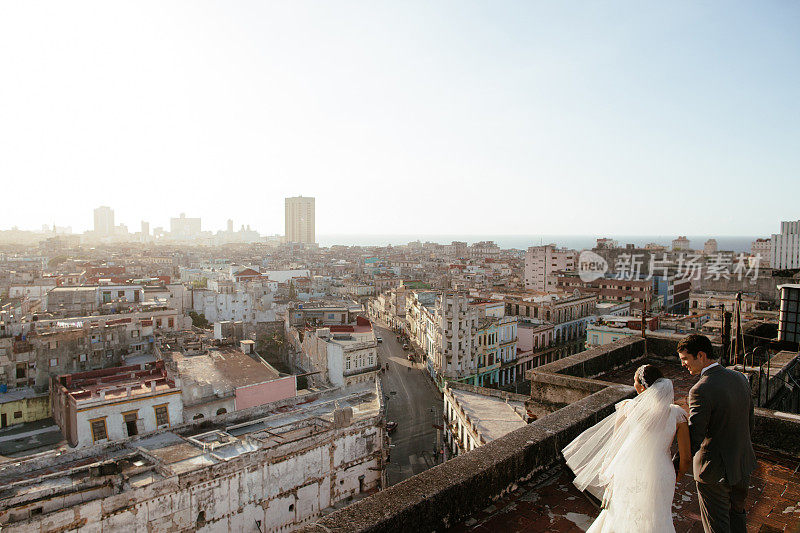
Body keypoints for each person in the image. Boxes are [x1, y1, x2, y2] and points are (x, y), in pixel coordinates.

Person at [562, 364, 691, 532]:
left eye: (635, 382)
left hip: (628, 470)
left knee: (623, 514)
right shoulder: (677, 414)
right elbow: (686, 457)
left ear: (643, 387)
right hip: (661, 472)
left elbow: (615, 445)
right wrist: (677, 474)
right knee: (658, 517)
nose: (634, 385)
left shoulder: (627, 408)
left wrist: (609, 470)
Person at [677, 334, 756, 533]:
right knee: (738, 516)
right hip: (742, 463)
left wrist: (676, 464)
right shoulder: (739, 377)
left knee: (717, 526)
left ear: (701, 355)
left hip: (714, 470)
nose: (684, 365)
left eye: (685, 359)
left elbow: (695, 436)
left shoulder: (700, 389)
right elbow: (750, 422)